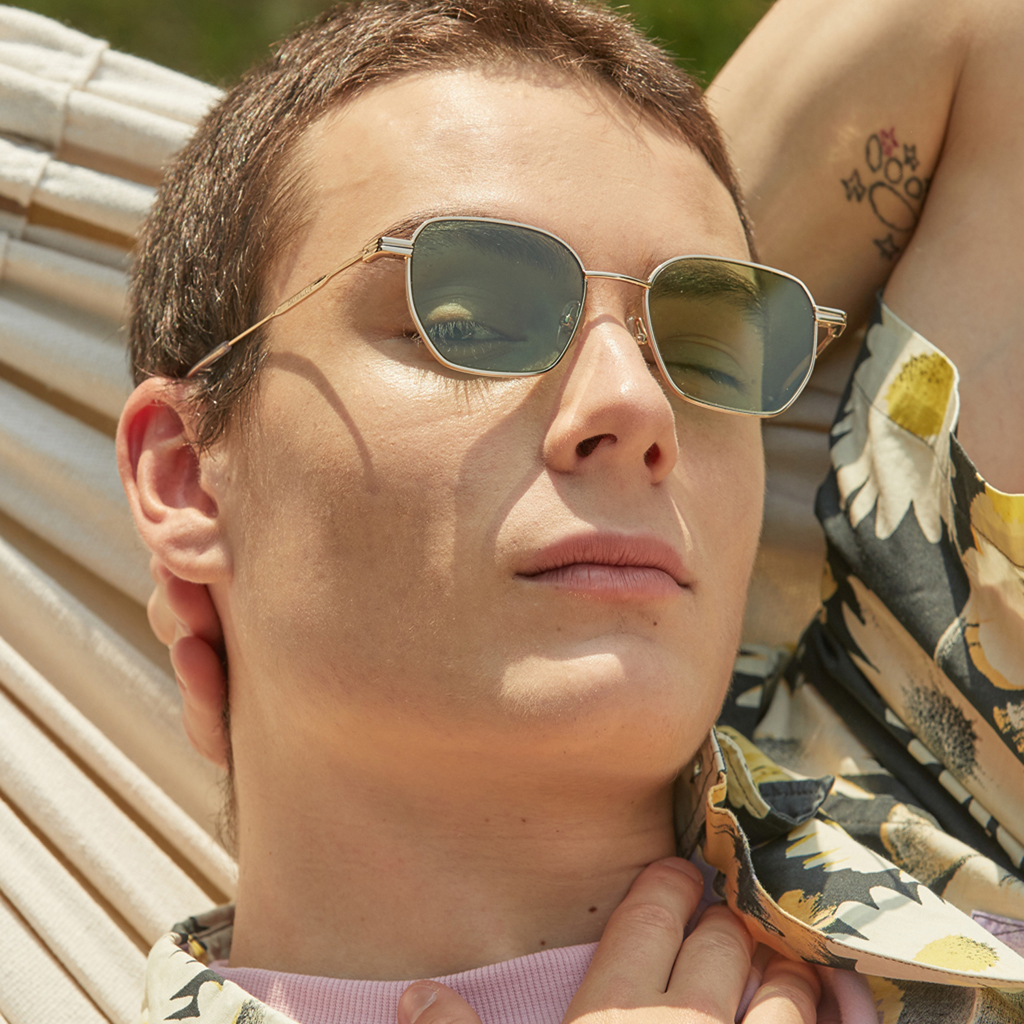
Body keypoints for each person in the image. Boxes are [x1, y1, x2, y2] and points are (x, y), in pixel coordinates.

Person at [122, 0, 1024, 1021]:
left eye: (707, 346)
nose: (636, 405)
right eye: (469, 315)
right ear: (186, 479)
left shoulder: (931, 771)